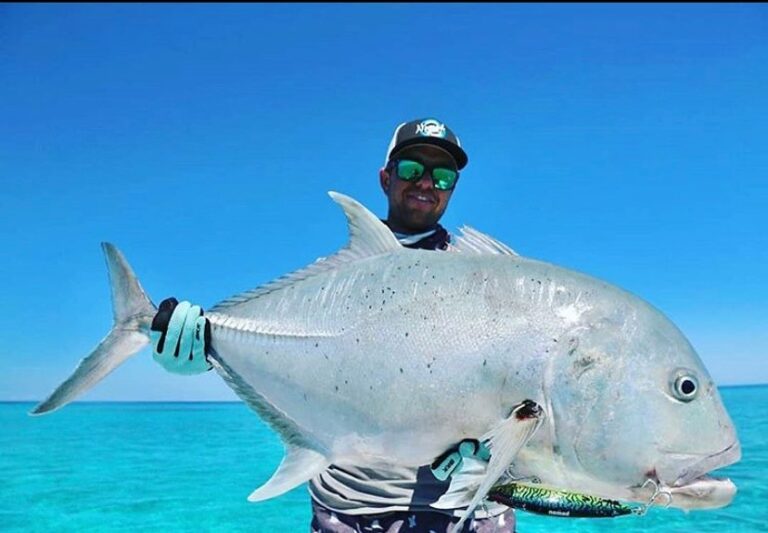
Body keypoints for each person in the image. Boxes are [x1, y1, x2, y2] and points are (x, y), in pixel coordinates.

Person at [149, 118, 516, 532]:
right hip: (347, 513)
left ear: (453, 187)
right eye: (412, 169)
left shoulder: (493, 280)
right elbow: (289, 354)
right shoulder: (329, 283)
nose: (426, 183)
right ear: (385, 178)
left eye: (442, 175)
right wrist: (201, 353)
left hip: (465, 514)